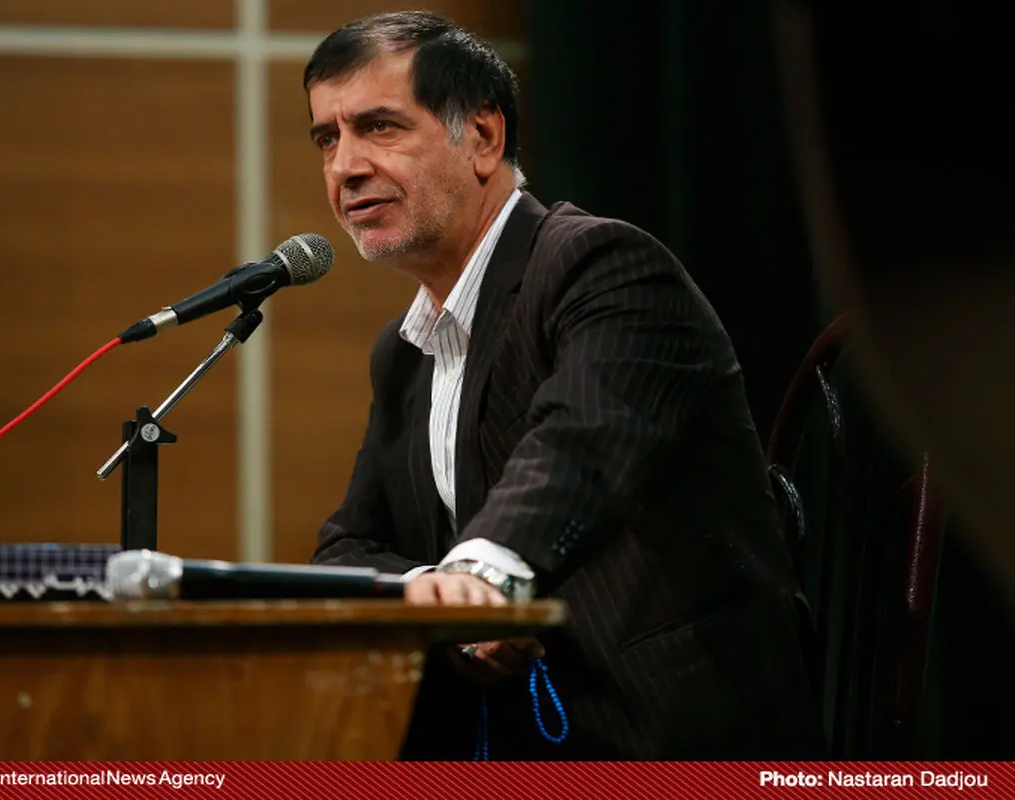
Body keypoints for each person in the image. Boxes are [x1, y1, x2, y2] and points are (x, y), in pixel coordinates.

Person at [305, 10, 824, 760]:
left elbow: (580, 447)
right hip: (517, 746)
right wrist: (431, 590)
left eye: (378, 127)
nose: (345, 167)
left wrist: (481, 579)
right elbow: (348, 547)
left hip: (669, 737)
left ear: (483, 137)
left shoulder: (601, 266)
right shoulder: (403, 353)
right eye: (327, 138)